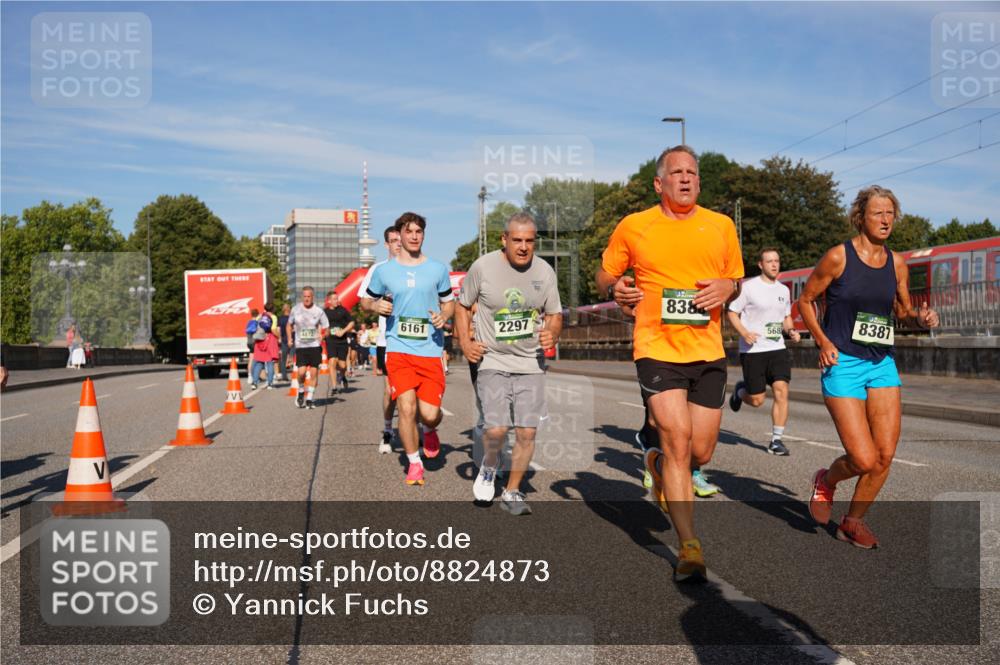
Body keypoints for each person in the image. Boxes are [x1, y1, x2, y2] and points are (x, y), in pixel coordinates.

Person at [595, 145, 744, 582]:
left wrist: (728, 287)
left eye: (692, 173)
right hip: (656, 348)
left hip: (708, 351)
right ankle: (689, 546)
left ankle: (656, 465)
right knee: (677, 439)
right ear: (659, 183)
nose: (686, 179)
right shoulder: (635, 226)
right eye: (677, 173)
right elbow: (604, 275)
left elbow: (735, 279)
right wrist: (614, 288)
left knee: (700, 451)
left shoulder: (720, 226)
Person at [798, 186, 938, 549]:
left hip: (881, 363)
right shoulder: (838, 257)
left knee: (884, 455)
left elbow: (902, 311)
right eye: (878, 213)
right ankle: (826, 481)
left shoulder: (897, 263)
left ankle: (853, 522)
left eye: (890, 213)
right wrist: (823, 341)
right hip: (843, 361)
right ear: (860, 217)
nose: (886, 220)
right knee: (862, 458)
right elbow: (806, 300)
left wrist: (920, 318)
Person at [457, 212, 562, 515]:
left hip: (530, 362)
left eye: (530, 241)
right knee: (497, 429)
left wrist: (552, 333)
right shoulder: (483, 267)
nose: (523, 247)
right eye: (517, 240)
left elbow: (555, 314)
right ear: (504, 239)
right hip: (492, 358)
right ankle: (490, 465)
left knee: (527, 432)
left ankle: (512, 491)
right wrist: (465, 343)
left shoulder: (544, 272)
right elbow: (462, 306)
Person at [362, 212, 454, 485]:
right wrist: (376, 305)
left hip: (430, 350)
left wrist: (444, 316)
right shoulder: (384, 271)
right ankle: (414, 463)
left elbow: (449, 302)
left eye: (419, 232)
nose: (414, 236)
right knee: (405, 406)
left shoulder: (438, 269)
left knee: (429, 414)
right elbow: (365, 302)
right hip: (398, 349)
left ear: (423, 235)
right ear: (399, 235)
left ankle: (430, 429)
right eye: (409, 231)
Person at [727, 248, 802, 455]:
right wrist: (744, 332)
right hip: (753, 350)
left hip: (777, 348)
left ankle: (776, 441)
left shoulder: (783, 290)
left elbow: (786, 317)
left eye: (777, 261)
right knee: (757, 400)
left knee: (781, 390)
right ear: (761, 265)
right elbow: (732, 312)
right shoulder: (748, 288)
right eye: (769, 261)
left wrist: (791, 331)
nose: (774, 264)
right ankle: (741, 392)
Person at [358, 226, 403, 453]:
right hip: (388, 340)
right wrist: (376, 305)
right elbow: (364, 302)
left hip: (416, 339)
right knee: (391, 390)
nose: (398, 244)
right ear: (386, 244)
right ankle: (387, 430)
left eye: (400, 239)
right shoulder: (378, 269)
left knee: (413, 390)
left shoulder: (419, 267)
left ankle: (416, 430)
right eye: (394, 240)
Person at [287, 286, 329, 409]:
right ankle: (301, 390)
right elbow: (289, 325)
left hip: (314, 346)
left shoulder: (319, 311)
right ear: (302, 297)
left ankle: (309, 398)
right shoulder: (295, 309)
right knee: (301, 372)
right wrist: (289, 338)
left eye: (309, 296)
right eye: (304, 296)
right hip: (301, 346)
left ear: (312, 297)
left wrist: (323, 336)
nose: (306, 299)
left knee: (314, 373)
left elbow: (327, 328)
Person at [323, 291, 354, 394]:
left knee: (343, 365)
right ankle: (334, 387)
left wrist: (343, 331)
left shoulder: (343, 310)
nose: (337, 301)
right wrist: (323, 333)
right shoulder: (325, 312)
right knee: (332, 362)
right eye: (334, 299)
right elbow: (320, 324)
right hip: (331, 340)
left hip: (342, 341)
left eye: (337, 299)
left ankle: (342, 376)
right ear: (329, 301)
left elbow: (352, 322)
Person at [250, 310, 278, 390]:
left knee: (259, 363)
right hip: (270, 339)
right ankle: (270, 384)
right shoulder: (273, 317)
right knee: (270, 363)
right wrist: (279, 337)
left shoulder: (259, 317)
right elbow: (273, 329)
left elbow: (254, 327)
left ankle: (254, 383)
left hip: (259, 340)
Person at [278, 303, 292, 380]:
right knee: (294, 357)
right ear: (289, 309)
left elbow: (279, 330)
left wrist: (279, 338)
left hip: (284, 340)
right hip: (292, 339)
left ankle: (284, 376)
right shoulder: (292, 318)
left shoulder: (280, 319)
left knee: (283, 359)